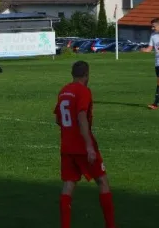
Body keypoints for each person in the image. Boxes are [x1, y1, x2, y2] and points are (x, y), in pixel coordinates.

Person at [54, 61, 116, 228]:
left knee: (68, 184)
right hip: (82, 145)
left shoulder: (63, 91)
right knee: (102, 181)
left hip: (66, 146)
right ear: (86, 75)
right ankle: (111, 225)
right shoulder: (83, 91)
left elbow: (58, 119)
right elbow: (82, 117)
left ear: (72, 74)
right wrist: (89, 146)